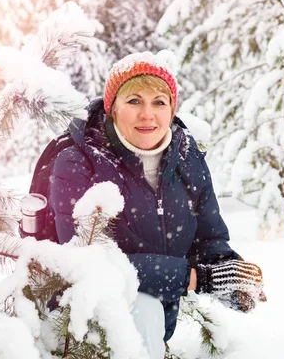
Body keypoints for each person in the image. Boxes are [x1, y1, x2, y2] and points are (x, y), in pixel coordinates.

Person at [50, 51, 264, 358]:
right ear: (112, 109)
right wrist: (194, 278)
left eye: (159, 102)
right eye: (134, 101)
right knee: (146, 308)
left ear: (171, 109)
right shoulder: (78, 163)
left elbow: (209, 237)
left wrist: (229, 274)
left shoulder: (187, 159)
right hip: (83, 324)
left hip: (155, 329)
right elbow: (88, 260)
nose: (147, 114)